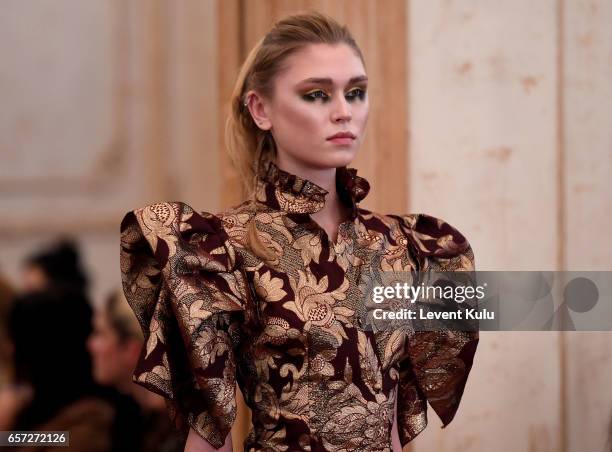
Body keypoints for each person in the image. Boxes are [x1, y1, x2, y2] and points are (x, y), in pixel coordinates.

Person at [120, 11, 478, 452]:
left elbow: (392, 428)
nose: (344, 112)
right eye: (316, 94)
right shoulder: (220, 248)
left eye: (357, 92)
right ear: (261, 109)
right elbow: (209, 435)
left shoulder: (401, 245)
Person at [88, 290, 184, 452]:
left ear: (133, 349)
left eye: (101, 334)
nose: (91, 345)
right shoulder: (132, 417)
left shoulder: (176, 428)